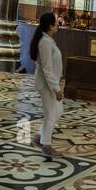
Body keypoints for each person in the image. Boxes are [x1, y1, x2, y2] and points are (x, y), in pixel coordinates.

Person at [30, 12, 64, 157]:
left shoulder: (48, 40)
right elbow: (47, 69)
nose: (58, 24)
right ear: (50, 26)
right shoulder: (44, 42)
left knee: (57, 111)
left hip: (51, 83)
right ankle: (46, 145)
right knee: (51, 113)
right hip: (46, 85)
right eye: (56, 22)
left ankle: (39, 137)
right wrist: (56, 88)